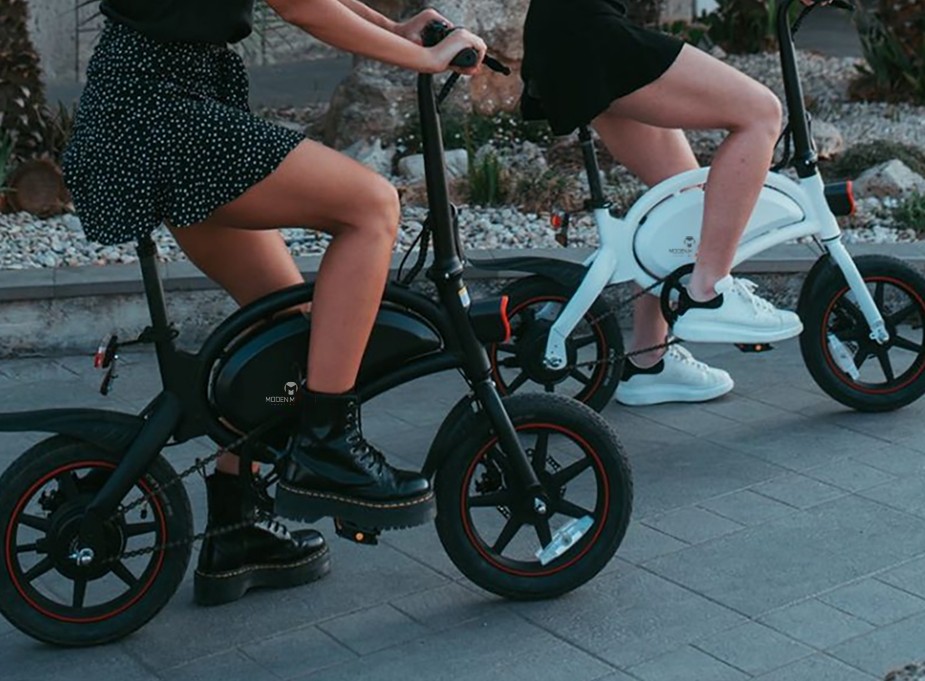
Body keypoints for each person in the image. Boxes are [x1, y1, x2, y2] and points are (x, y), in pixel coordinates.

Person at [62, 0, 486, 606]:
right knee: (371, 207)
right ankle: (327, 443)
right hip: (163, 113)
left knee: (288, 334)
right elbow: (306, 9)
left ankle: (237, 534)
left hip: (165, 101)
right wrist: (422, 57)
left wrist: (394, 27)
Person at [520, 0, 808, 407]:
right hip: (590, 34)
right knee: (761, 113)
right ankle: (709, 290)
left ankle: (649, 363)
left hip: (570, 34)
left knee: (680, 202)